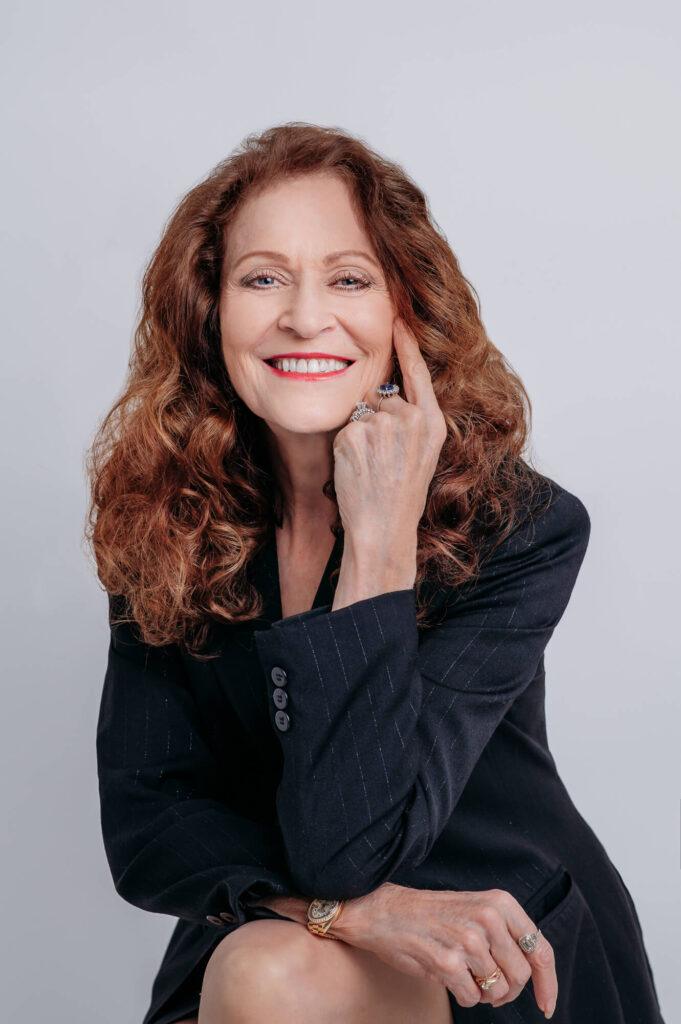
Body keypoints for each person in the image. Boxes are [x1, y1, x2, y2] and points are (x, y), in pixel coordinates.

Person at [86, 123, 665, 1024]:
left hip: (492, 947)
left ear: (408, 309)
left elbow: (348, 845)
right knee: (264, 968)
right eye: (262, 278)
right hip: (287, 935)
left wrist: (381, 545)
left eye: (348, 278)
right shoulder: (168, 522)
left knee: (271, 975)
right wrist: (342, 916)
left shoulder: (521, 529)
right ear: (209, 311)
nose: (305, 317)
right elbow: (150, 828)